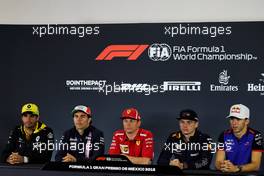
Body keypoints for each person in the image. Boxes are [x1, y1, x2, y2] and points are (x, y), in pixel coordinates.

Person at [215, 104, 263, 173]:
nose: (234, 123)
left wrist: (236, 169)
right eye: (232, 119)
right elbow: (218, 162)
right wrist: (223, 166)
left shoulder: (255, 135)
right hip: (228, 173)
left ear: (247, 121)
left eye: (238, 119)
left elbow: (256, 165)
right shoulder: (224, 135)